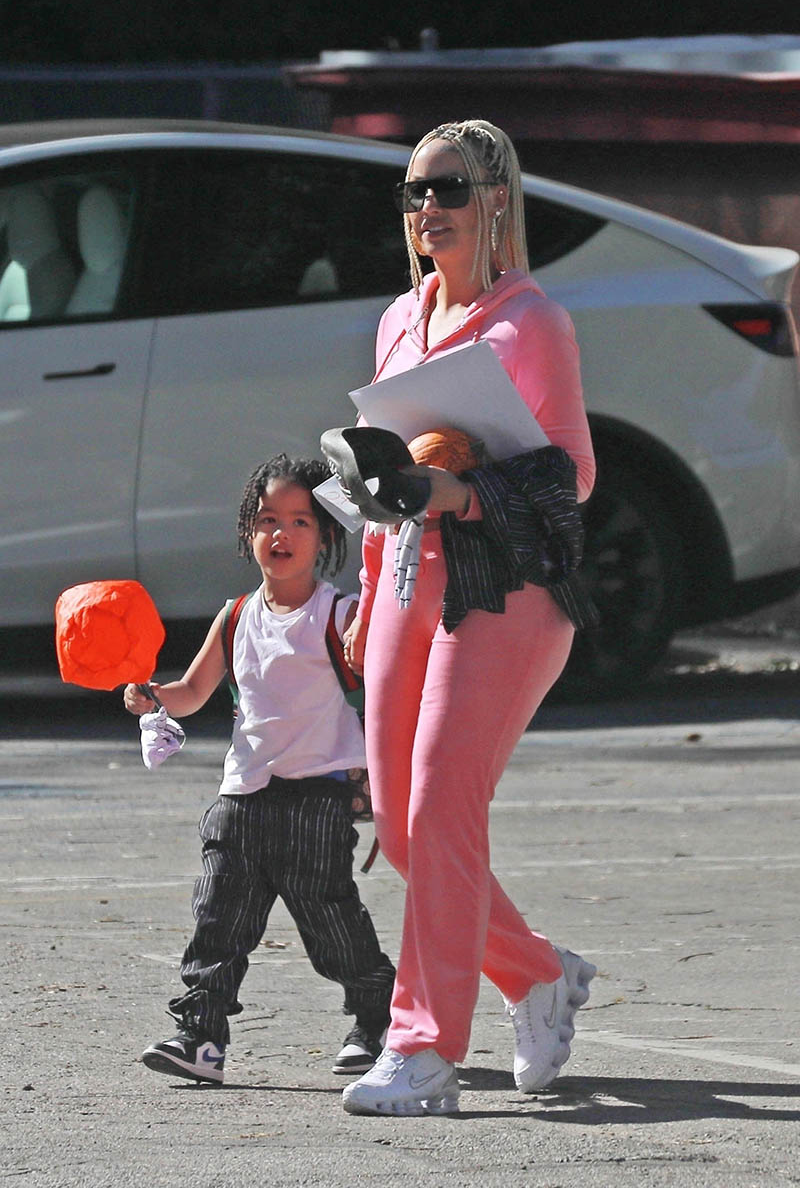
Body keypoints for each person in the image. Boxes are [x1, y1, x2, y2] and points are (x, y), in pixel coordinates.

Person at [339, 120, 597, 1117]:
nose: (425, 211)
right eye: (411, 194)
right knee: (404, 835)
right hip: (408, 579)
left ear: (493, 199)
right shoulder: (399, 320)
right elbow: (380, 472)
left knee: (444, 807)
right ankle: (537, 974)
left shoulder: (530, 323)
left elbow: (570, 474)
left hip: (508, 593)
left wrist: (463, 494)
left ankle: (421, 1054)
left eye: (444, 190)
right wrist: (363, 594)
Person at [124, 454, 395, 1085]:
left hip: (317, 798)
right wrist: (152, 695)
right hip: (241, 795)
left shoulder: (341, 614)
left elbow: (387, 690)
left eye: (301, 521)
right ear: (249, 532)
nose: (283, 534)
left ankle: (377, 1021)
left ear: (327, 536)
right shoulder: (237, 614)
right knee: (217, 921)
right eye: (268, 519)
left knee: (331, 923)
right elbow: (192, 692)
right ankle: (201, 1038)